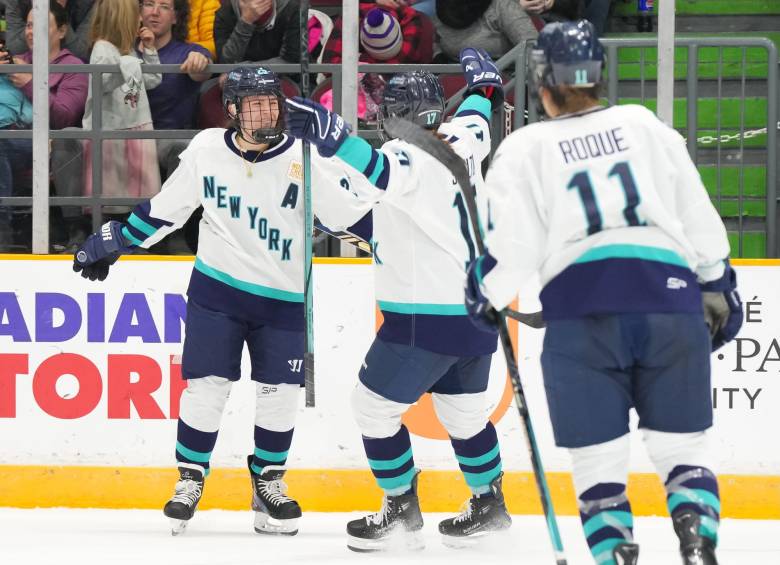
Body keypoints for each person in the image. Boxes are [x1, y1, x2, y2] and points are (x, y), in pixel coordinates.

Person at [465, 20, 742, 565]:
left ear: (542, 80)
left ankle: (616, 555)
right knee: (682, 453)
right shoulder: (643, 124)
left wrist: (484, 292)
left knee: (598, 468)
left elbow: (511, 250)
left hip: (583, 312)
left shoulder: (523, 148)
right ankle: (697, 542)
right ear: (600, 74)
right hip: (669, 299)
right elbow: (696, 212)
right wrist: (718, 283)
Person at [71, 66, 370, 536]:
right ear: (231, 111)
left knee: (279, 395)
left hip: (285, 300)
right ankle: (190, 478)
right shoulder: (207, 150)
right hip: (217, 292)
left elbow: (355, 220)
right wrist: (114, 241)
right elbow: (165, 211)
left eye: (272, 101)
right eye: (254, 104)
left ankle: (268, 482)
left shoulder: (308, 158)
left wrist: (404, 248)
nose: (267, 111)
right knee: (206, 388)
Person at [286, 49, 512, 551]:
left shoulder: (405, 155)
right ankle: (490, 503)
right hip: (476, 316)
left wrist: (332, 137)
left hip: (423, 320)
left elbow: (383, 174)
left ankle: (401, 512)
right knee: (465, 417)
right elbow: (481, 108)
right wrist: (485, 84)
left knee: (371, 409)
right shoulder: (465, 139)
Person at [0, 0, 88, 250]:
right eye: (28, 25)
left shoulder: (75, 67)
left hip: (53, 144)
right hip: (14, 141)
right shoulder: (13, 62)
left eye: (39, 25)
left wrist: (30, 83)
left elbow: (64, 118)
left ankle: (2, 230)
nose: (31, 31)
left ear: (62, 31)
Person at [82, 0, 161, 212]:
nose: (141, 18)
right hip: (113, 133)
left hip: (137, 126)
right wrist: (124, 67)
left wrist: (150, 51)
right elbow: (101, 84)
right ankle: (112, 238)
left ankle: (138, 238)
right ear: (123, 18)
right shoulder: (102, 49)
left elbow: (152, 79)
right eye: (136, 13)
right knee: (113, 200)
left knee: (141, 195)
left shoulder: (129, 51)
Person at [138, 0, 211, 180]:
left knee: (182, 148)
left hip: (167, 138)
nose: (155, 12)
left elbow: (202, 72)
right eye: (149, 4)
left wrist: (199, 62)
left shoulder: (189, 51)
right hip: (125, 138)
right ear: (139, 12)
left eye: (164, 6)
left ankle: (172, 208)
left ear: (175, 17)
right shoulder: (124, 50)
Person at [432, 0, 537, 63]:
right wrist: (438, 55)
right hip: (454, 79)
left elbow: (533, 47)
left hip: (505, 80)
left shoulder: (501, 5)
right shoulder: (442, 5)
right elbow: (436, 39)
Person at [4, 0, 94, 61]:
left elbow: (82, 53)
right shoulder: (16, 2)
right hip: (27, 66)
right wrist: (39, 9)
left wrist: (57, 11)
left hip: (72, 72)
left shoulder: (88, 3)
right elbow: (15, 49)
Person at [214, 0, 300, 64]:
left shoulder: (290, 9)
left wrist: (246, 71)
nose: (254, 5)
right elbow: (225, 63)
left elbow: (290, 61)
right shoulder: (225, 13)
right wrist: (246, 22)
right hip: (234, 80)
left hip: (279, 77)